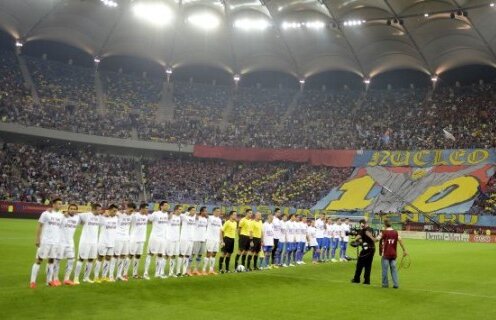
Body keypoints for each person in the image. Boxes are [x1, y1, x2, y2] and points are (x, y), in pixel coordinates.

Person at [30, 198, 65, 288]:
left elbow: (60, 229)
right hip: (45, 241)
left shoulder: (61, 216)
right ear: (53, 204)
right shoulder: (46, 213)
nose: (60, 205)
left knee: (51, 261)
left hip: (55, 242)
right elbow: (39, 226)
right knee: (39, 260)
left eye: (61, 204)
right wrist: (38, 239)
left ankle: (49, 281)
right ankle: (33, 281)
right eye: (58, 203)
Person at [74, 203, 102, 284]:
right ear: (93, 209)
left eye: (100, 210)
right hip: (85, 241)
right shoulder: (86, 215)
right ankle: (76, 278)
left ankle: (86, 277)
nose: (99, 211)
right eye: (98, 209)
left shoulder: (99, 217)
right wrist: (80, 222)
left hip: (94, 242)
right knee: (81, 259)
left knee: (91, 260)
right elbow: (77, 216)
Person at [377, 219, 408, 289]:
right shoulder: (395, 232)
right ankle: (396, 284)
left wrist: (370, 238)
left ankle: (385, 284)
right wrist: (404, 250)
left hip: (386, 254)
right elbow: (400, 241)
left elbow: (376, 239)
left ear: (385, 225)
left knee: (385, 269)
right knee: (394, 269)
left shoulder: (383, 232)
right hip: (393, 254)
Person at [144, 201, 169, 279]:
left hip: (163, 238)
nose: (167, 207)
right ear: (161, 206)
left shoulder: (166, 214)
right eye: (165, 205)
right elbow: (148, 219)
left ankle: (157, 273)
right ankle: (145, 273)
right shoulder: (155, 213)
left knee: (160, 255)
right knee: (150, 254)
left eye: (167, 206)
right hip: (155, 237)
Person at [94, 204, 118, 283]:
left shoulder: (116, 218)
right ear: (109, 210)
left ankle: (104, 276)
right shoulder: (103, 218)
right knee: (100, 258)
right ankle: (96, 276)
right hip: (103, 242)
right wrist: (103, 214)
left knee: (108, 259)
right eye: (114, 211)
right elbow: (96, 216)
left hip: (111, 242)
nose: (115, 212)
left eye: (116, 211)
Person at [58, 203, 80, 286]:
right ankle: (54, 278)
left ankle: (66, 279)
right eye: (71, 208)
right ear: (68, 209)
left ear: (76, 211)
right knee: (57, 260)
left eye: (74, 209)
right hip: (60, 242)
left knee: (71, 260)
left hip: (70, 243)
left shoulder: (78, 217)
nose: (73, 210)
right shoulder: (62, 216)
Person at [351, 219, 376, 285]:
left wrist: (354, 240)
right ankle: (367, 280)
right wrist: (360, 241)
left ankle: (356, 279)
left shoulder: (364, 230)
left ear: (362, 223)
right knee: (368, 265)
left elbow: (358, 237)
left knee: (359, 264)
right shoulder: (371, 229)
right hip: (372, 248)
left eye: (361, 224)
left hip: (366, 249)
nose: (361, 226)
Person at [114, 202, 135, 282]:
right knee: (115, 256)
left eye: (132, 211)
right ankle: (111, 275)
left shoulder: (132, 215)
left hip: (126, 239)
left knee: (123, 256)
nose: (131, 212)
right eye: (130, 210)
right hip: (118, 238)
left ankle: (119, 275)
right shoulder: (119, 214)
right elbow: (108, 213)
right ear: (127, 208)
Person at [129, 203, 149, 279]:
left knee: (138, 256)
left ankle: (135, 273)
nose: (147, 210)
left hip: (142, 239)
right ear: (142, 208)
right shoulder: (135, 215)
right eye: (146, 208)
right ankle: (124, 273)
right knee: (130, 256)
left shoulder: (146, 217)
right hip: (134, 239)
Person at [203, 207, 222, 275]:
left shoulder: (219, 220)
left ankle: (211, 269)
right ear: (213, 212)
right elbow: (205, 215)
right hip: (210, 238)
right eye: (217, 211)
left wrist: (221, 240)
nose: (218, 212)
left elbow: (220, 230)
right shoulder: (210, 218)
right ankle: (204, 269)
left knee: (214, 254)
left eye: (219, 211)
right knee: (208, 253)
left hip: (216, 239)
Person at [178, 206, 197, 276]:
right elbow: (179, 214)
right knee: (181, 255)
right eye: (193, 210)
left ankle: (184, 271)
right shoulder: (184, 216)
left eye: (195, 210)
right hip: (184, 239)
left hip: (191, 240)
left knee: (187, 256)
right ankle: (178, 271)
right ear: (189, 211)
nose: (194, 212)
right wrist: (186, 213)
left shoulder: (194, 217)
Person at [191, 206, 208, 275]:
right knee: (193, 254)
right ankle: (188, 269)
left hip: (203, 239)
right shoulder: (196, 218)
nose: (206, 212)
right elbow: (190, 215)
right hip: (196, 239)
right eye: (205, 211)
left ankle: (195, 269)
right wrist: (196, 215)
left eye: (206, 211)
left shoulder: (206, 219)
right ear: (201, 212)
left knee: (200, 255)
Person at [166, 205, 182, 277]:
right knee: (166, 255)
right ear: (175, 210)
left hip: (176, 239)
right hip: (170, 239)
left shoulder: (179, 217)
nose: (180, 211)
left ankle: (171, 272)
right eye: (179, 209)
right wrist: (170, 215)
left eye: (181, 209)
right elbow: (167, 219)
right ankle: (160, 271)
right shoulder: (171, 216)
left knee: (174, 256)